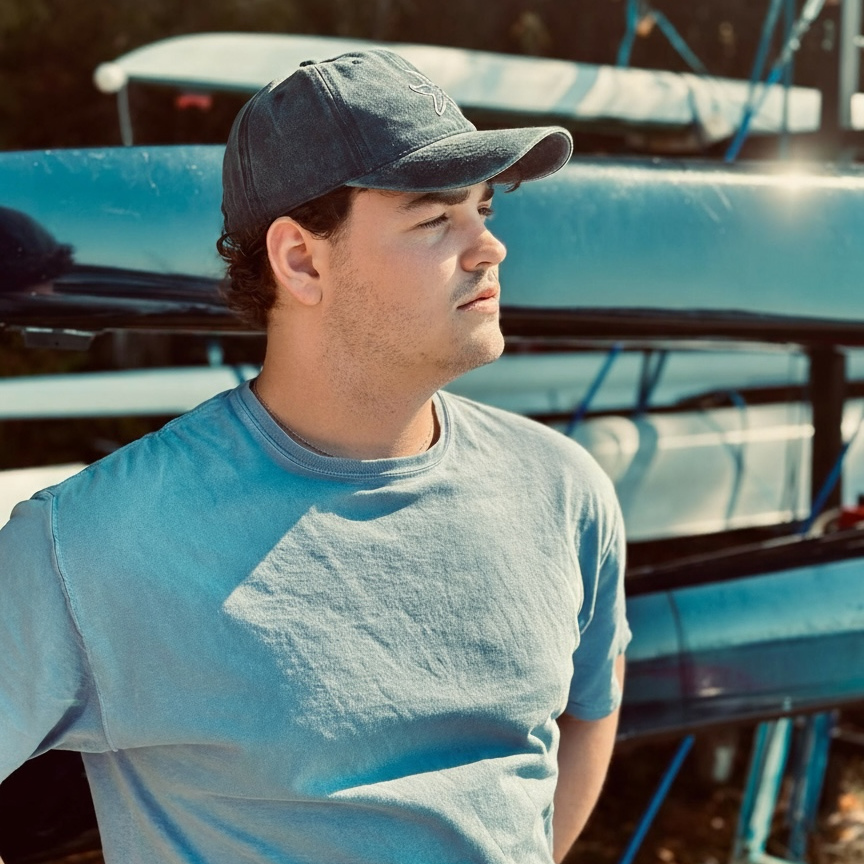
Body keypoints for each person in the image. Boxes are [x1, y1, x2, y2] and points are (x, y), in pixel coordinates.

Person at [0, 49, 630, 864]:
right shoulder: (87, 546)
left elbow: (589, 712)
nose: (489, 248)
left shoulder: (563, 490)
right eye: (435, 219)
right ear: (301, 260)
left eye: (483, 209)